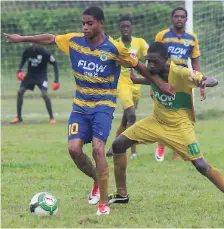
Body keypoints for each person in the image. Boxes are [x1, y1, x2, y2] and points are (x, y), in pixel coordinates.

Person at [3, 7, 174, 215]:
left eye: (89, 23)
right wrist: (22, 38)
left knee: (97, 149)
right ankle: (96, 179)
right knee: (74, 150)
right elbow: (51, 38)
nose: (85, 27)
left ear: (101, 24)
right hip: (80, 107)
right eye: (83, 23)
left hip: (103, 106)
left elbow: (138, 65)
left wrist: (158, 83)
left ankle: (103, 203)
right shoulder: (75, 41)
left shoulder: (114, 48)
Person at [108, 42, 223, 205]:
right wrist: (133, 75)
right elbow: (149, 79)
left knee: (200, 165)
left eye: (155, 61)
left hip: (180, 126)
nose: (151, 64)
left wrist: (204, 82)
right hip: (156, 121)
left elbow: (211, 79)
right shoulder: (151, 71)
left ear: (166, 59)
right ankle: (121, 194)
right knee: (118, 144)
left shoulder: (180, 72)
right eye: (148, 60)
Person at [153, 7, 206, 161]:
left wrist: (201, 83)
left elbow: (195, 62)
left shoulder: (192, 38)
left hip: (183, 81)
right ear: (172, 18)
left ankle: (177, 154)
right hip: (165, 80)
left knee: (183, 116)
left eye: (182, 17)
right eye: (176, 16)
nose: (179, 19)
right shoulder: (162, 35)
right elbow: (153, 58)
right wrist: (154, 83)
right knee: (164, 115)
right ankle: (161, 144)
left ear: (186, 19)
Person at [106, 14, 149, 159]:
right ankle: (132, 152)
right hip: (122, 83)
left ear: (131, 28)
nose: (125, 29)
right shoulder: (115, 45)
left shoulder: (140, 43)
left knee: (126, 119)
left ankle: (113, 147)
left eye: (128, 26)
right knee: (131, 114)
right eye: (123, 27)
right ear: (119, 28)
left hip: (136, 83)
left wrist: (148, 74)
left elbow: (150, 57)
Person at [10, 44, 60, 124]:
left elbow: (55, 64)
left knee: (44, 94)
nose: (35, 44)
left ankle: (51, 118)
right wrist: (19, 71)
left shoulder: (45, 53)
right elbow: (23, 60)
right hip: (30, 76)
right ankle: (19, 117)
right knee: (20, 92)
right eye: (33, 42)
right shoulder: (28, 51)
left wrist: (56, 80)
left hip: (41, 77)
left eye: (37, 42)